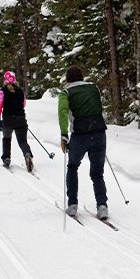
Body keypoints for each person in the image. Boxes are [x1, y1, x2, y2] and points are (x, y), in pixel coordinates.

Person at [58, 65, 108, 219]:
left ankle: (72, 205)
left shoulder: (66, 93)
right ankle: (102, 206)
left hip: (80, 135)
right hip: (99, 133)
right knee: (97, 173)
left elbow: (63, 112)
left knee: (72, 166)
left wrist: (64, 136)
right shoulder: (94, 88)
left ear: (67, 80)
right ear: (82, 77)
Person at [0, 70, 34, 172]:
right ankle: (27, 154)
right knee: (22, 141)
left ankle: (6, 158)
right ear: (15, 79)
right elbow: (23, 105)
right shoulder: (21, 91)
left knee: (7, 139)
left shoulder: (1, 92)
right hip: (20, 119)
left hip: (8, 120)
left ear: (5, 80)